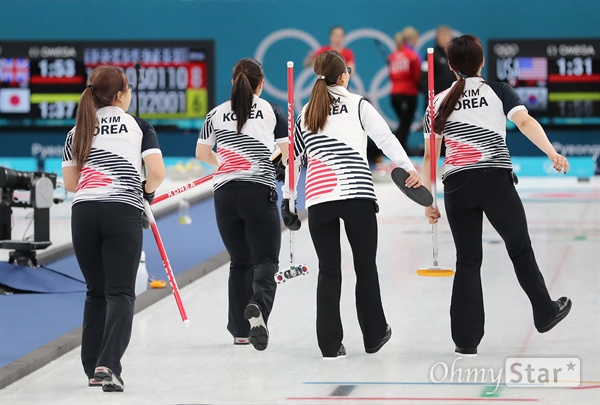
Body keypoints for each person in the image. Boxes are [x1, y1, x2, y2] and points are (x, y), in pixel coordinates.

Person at [421, 35, 572, 357]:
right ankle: (544, 312)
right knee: (519, 248)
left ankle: (466, 340)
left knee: (467, 260)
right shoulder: (499, 91)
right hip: (495, 182)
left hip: (456, 188)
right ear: (482, 62)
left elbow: (429, 158)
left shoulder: (437, 102)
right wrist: (551, 152)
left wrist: (428, 201)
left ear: (450, 66)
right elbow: (525, 121)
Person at [282, 50, 422, 359]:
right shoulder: (359, 105)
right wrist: (409, 167)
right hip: (357, 194)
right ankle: (373, 336)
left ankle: (330, 346)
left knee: (328, 272)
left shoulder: (305, 111)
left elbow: (294, 161)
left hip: (319, 200)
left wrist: (288, 200)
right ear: (344, 75)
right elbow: (385, 139)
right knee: (365, 267)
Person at [62, 65, 165, 391]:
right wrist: (145, 193)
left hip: (84, 214)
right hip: (122, 211)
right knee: (120, 292)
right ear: (121, 94)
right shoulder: (138, 126)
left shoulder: (77, 129)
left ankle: (93, 367)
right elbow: (157, 173)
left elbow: (70, 184)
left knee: (96, 291)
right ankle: (110, 364)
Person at [196, 58, 288, 351]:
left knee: (239, 262)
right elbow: (285, 155)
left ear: (233, 82)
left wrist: (224, 162)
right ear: (261, 83)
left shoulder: (215, 113)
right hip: (258, 192)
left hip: (224, 195)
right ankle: (258, 306)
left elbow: (201, 152)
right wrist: (277, 165)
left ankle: (239, 330)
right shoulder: (272, 111)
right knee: (266, 260)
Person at [388, 26, 421, 152]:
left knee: (403, 123)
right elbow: (416, 75)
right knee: (405, 124)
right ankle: (398, 150)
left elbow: (391, 75)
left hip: (394, 94)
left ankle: (399, 149)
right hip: (408, 93)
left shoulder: (393, 55)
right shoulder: (412, 55)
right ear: (411, 39)